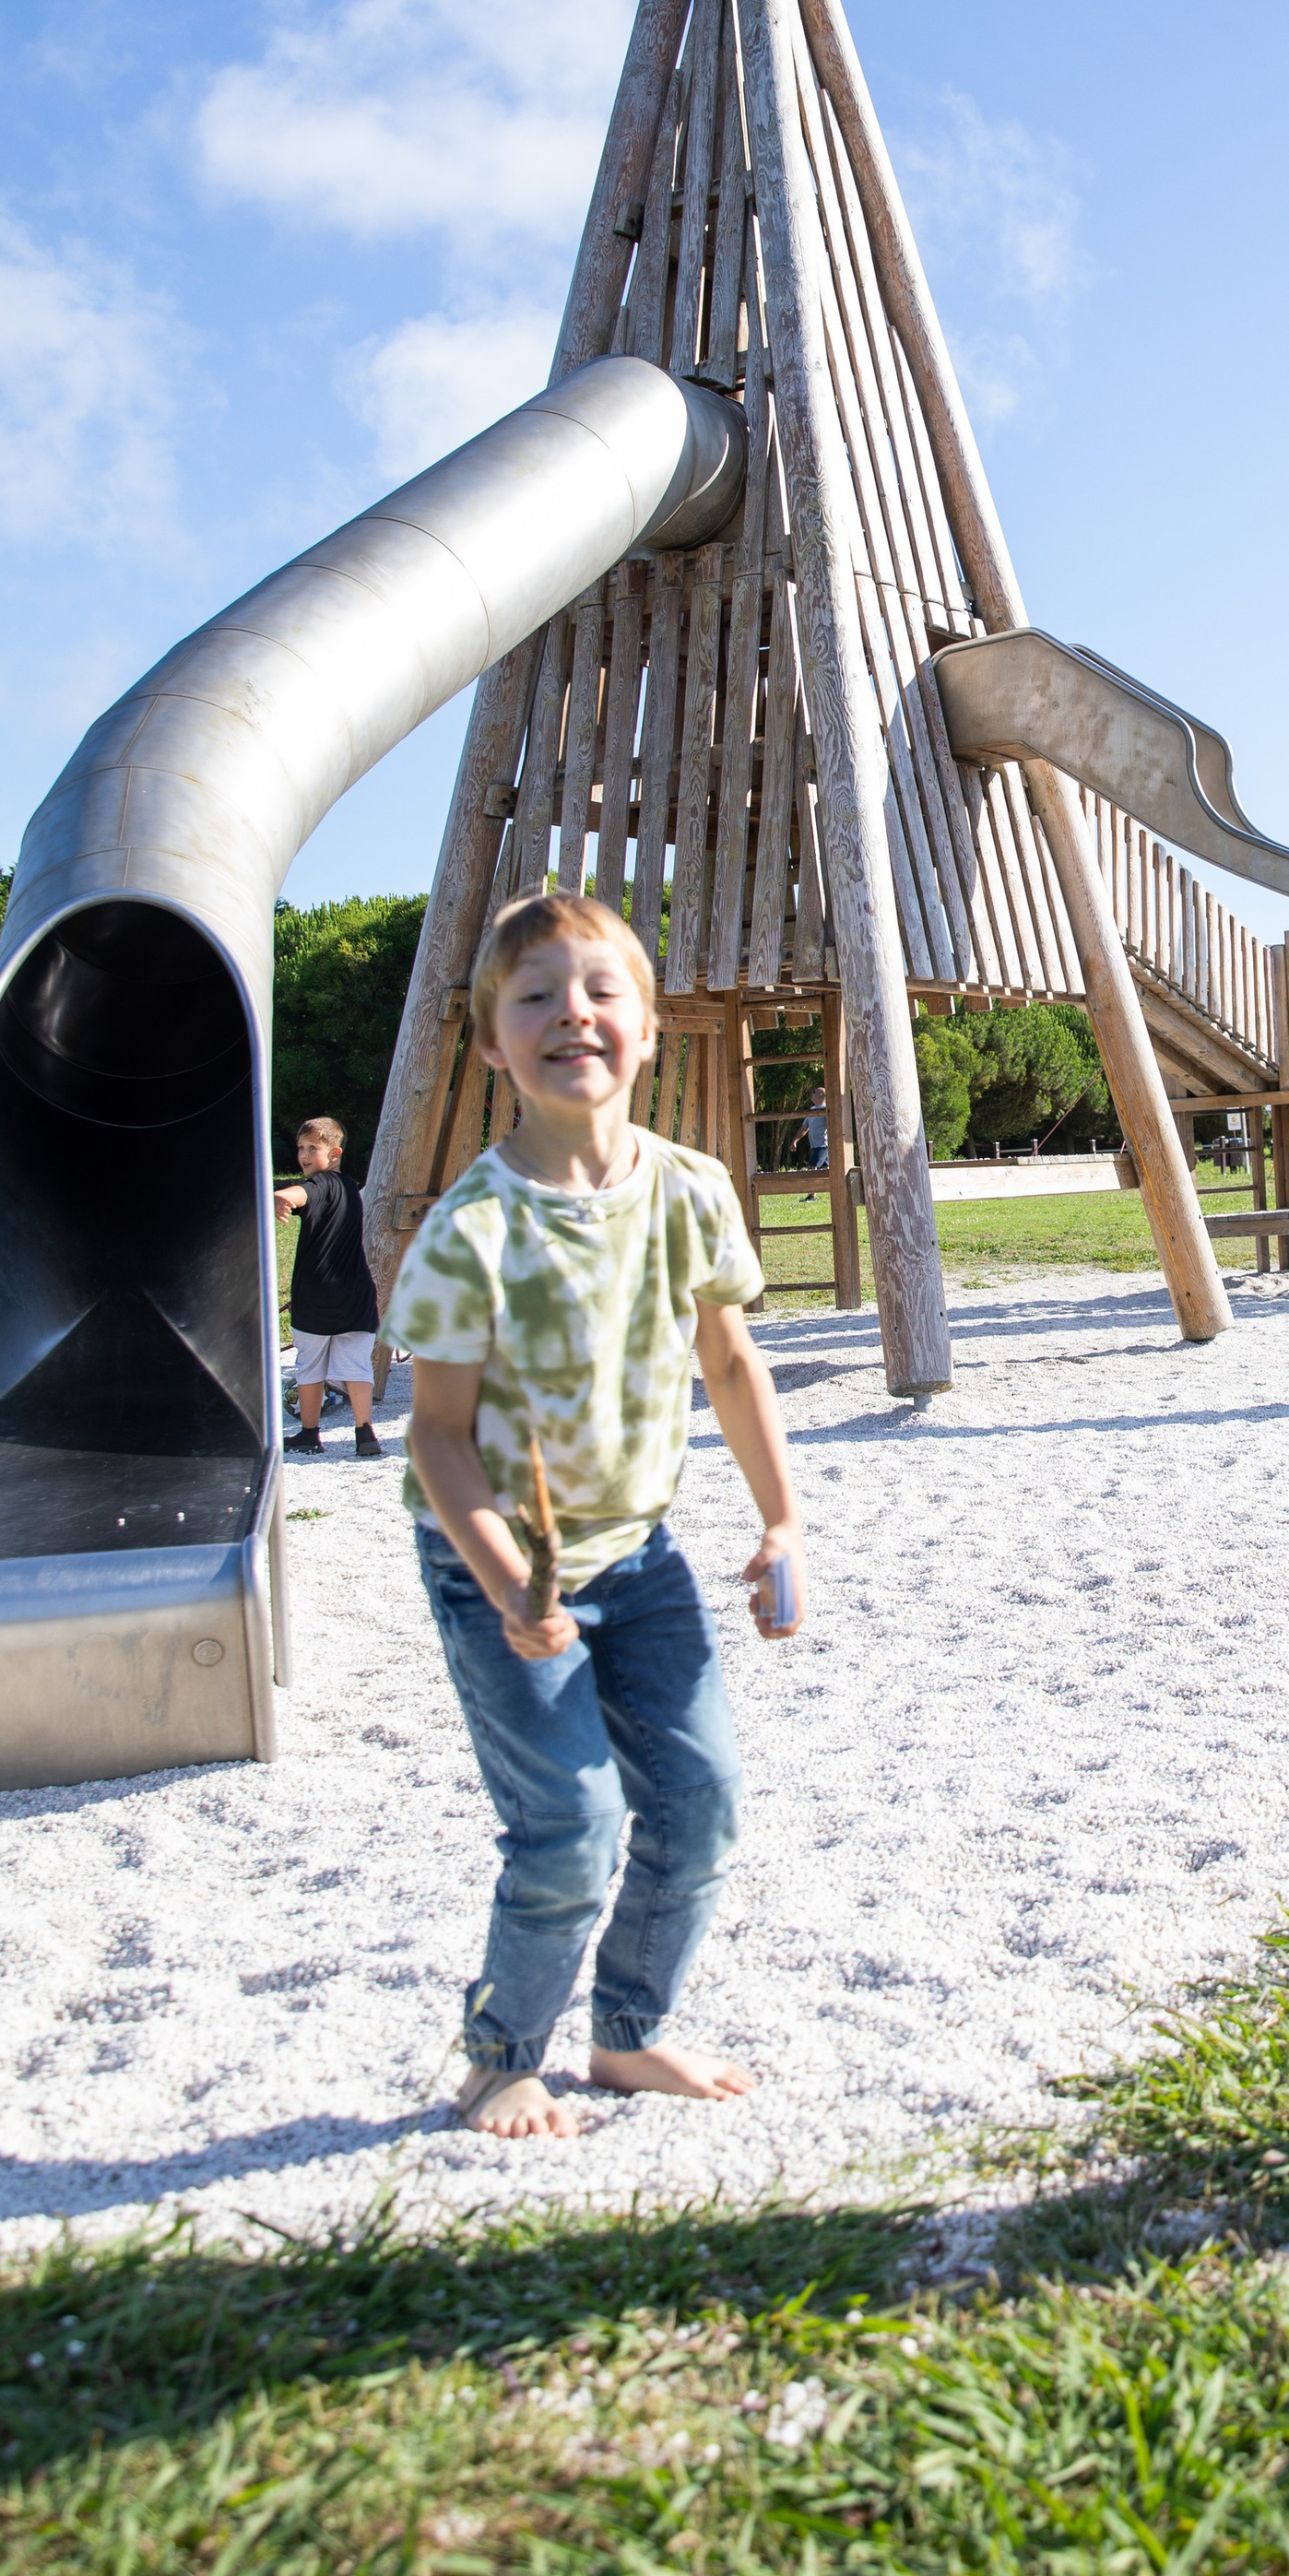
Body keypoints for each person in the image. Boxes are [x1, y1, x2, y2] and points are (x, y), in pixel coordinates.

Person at [383, 888, 808, 2140]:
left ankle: (630, 2036)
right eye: (535, 998)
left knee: (701, 1802)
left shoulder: (691, 1191)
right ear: (492, 1041)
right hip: (503, 1568)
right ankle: (500, 2056)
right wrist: (515, 1583)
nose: (573, 1014)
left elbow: (730, 1365)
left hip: (646, 1553)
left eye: (600, 990)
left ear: (651, 1024)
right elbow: (438, 1438)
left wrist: (782, 1520)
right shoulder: (472, 1231)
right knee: (571, 1824)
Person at [274, 1117, 380, 1459]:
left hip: (316, 1294)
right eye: (301, 1147)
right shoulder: (348, 1186)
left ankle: (309, 1433)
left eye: (312, 1148)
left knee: (310, 1367)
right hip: (357, 1294)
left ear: (334, 1153)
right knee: (357, 1366)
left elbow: (301, 1191)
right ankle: (365, 1433)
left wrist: (281, 1197)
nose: (303, 1154)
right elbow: (301, 1186)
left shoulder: (318, 1185)